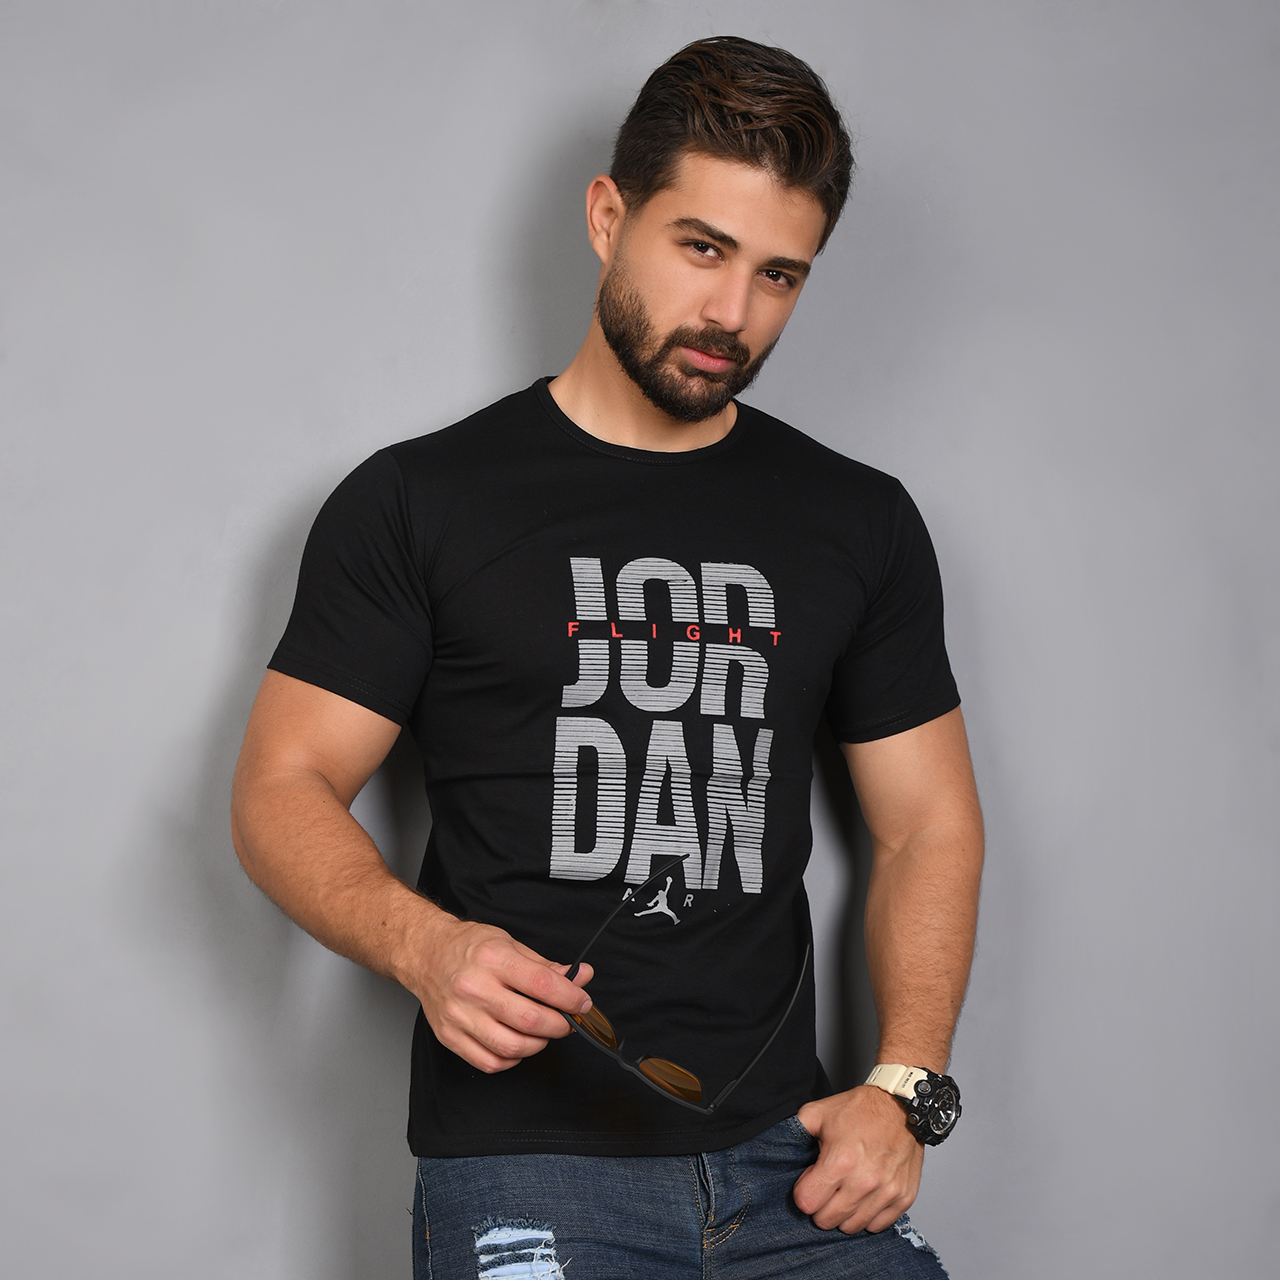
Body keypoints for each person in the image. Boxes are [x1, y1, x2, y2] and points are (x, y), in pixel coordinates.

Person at [231, 35, 983, 1279]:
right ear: (605, 216)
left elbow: (925, 825)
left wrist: (904, 1088)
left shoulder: (858, 521)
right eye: (701, 248)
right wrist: (424, 946)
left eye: (778, 274)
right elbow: (279, 786)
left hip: (791, 1161)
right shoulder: (420, 500)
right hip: (526, 1159)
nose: (731, 314)